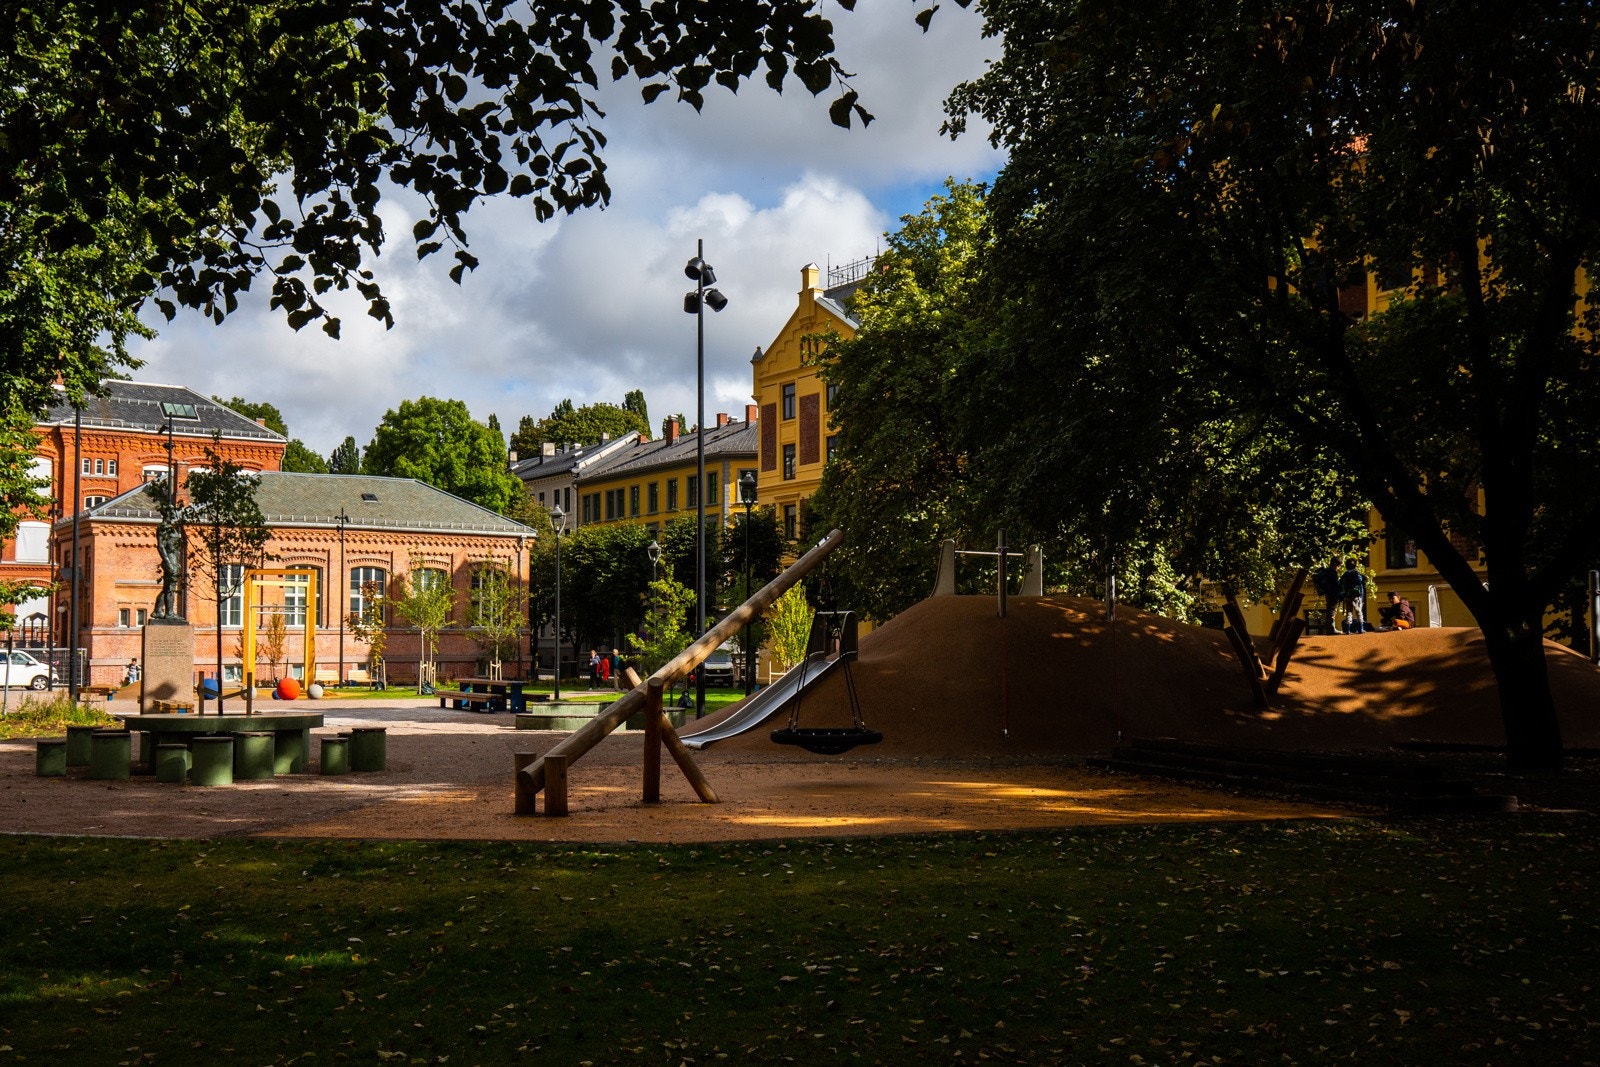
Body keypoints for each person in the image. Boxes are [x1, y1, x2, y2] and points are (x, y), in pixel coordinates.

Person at [1311, 557, 1342, 634]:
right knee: (1332, 609)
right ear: (1336, 564)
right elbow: (1335, 584)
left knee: (1329, 608)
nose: (1339, 568)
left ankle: (1329, 628)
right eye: (1339, 566)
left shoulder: (1326, 570)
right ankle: (1331, 628)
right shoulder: (1332, 571)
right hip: (1333, 593)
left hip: (1327, 593)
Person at [1339, 559, 1368, 634]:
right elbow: (1360, 582)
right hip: (1357, 596)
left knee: (1349, 612)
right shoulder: (1357, 573)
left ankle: (1348, 630)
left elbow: (1341, 583)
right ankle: (1361, 629)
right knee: (1359, 612)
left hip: (1348, 596)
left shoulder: (1345, 574)